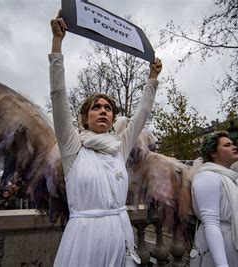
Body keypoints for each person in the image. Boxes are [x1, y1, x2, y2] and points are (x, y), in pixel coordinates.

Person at [49, 10, 162, 266]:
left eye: (108, 108)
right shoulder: (72, 148)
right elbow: (57, 95)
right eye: (96, 107)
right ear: (85, 118)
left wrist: (152, 79)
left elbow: (141, 115)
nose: (103, 111)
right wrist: (57, 43)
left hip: (120, 235)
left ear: (113, 118)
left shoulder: (119, 148)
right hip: (85, 239)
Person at [191, 131, 238, 266]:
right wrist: (222, 264)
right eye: (227, 145)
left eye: (233, 144)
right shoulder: (207, 177)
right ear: (213, 153)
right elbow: (210, 221)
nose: (235, 147)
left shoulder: (236, 181)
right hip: (227, 250)